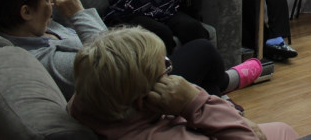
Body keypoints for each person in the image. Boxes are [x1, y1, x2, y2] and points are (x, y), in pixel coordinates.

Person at [0, 0, 261, 99]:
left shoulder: (37, 28)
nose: (54, 3)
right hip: (141, 92)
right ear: (25, 11)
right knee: (204, 50)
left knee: (200, 61)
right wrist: (78, 12)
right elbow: (116, 56)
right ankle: (224, 85)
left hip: (138, 75)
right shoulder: (48, 61)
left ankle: (217, 94)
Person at [69, 26, 298, 139]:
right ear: (143, 100)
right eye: (165, 70)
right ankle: (228, 86)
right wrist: (195, 103)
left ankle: (226, 88)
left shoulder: (88, 99)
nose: (171, 73)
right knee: (284, 130)